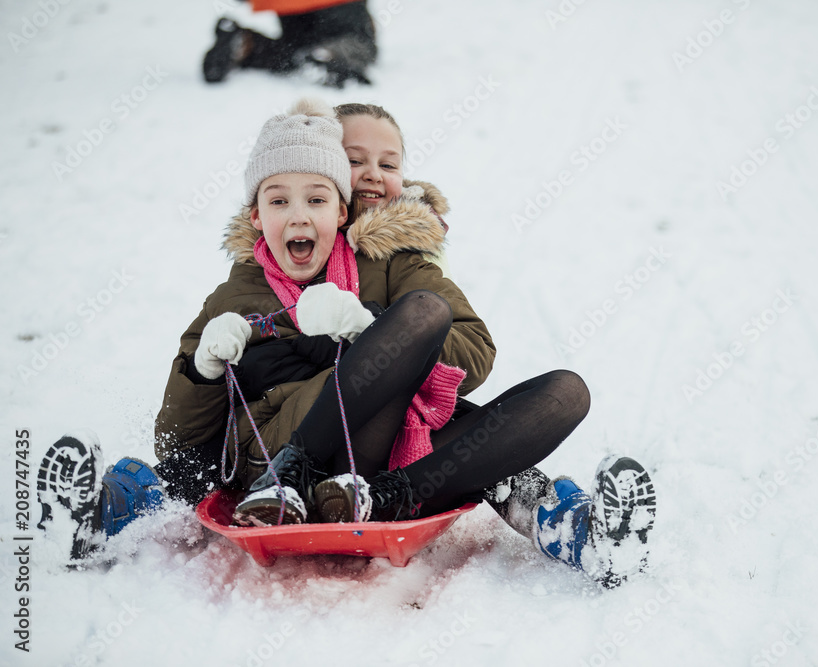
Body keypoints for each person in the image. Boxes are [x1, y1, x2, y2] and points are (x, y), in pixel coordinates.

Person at [37, 99, 656, 586]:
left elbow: (473, 350)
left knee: (552, 398)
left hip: (392, 464)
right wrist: (208, 370)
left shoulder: (401, 260)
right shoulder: (254, 274)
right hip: (288, 448)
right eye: (354, 160)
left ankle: (581, 533)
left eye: (388, 164)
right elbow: (186, 441)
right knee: (179, 473)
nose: (372, 177)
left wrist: (374, 331)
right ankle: (98, 514)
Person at [202, 0, 377, 88]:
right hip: (337, 5)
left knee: (291, 51)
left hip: (289, 7)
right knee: (358, 41)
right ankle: (325, 54)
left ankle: (248, 45)